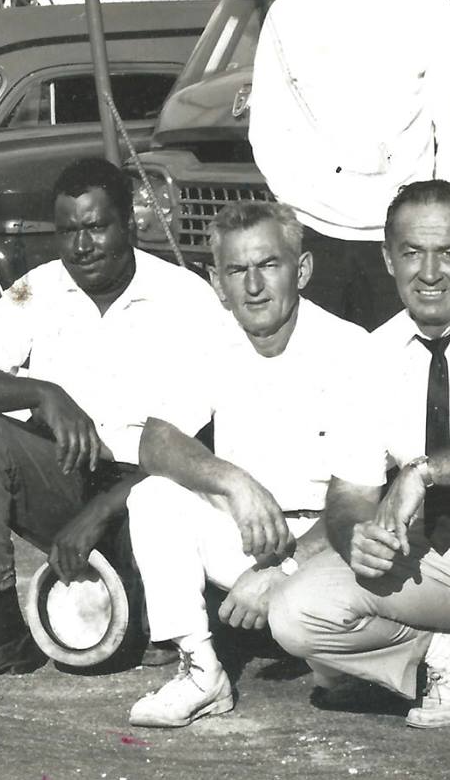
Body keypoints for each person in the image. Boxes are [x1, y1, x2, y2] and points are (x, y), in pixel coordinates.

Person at [267, 180, 450, 758]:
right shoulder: (371, 355)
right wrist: (354, 535)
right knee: (294, 613)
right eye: (411, 252)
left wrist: (426, 471)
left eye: (448, 253)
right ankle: (443, 653)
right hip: (439, 565)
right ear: (387, 258)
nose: (428, 272)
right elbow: (350, 492)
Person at [0, 157, 234, 683]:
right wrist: (42, 392)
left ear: (129, 224)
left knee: (133, 633)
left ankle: (155, 608)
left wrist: (106, 510)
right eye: (68, 231)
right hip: (66, 481)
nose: (81, 246)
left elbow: (208, 439)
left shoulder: (184, 296)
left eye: (95, 227)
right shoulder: (36, 288)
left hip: (154, 495)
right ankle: (4, 631)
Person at [123, 199, 368, 728]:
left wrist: (284, 570)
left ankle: (340, 657)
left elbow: (366, 503)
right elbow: (156, 443)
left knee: (339, 674)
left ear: (301, 270)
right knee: (153, 496)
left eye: (269, 265)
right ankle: (200, 671)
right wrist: (235, 483)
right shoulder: (214, 342)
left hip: (333, 546)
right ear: (217, 283)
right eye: (237, 270)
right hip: (253, 536)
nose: (253, 285)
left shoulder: (352, 349)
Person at [247, 0, 450, 329]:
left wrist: (428, 229)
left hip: (404, 245)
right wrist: (305, 213)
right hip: (316, 240)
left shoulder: (430, 9)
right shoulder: (289, 14)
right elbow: (268, 128)